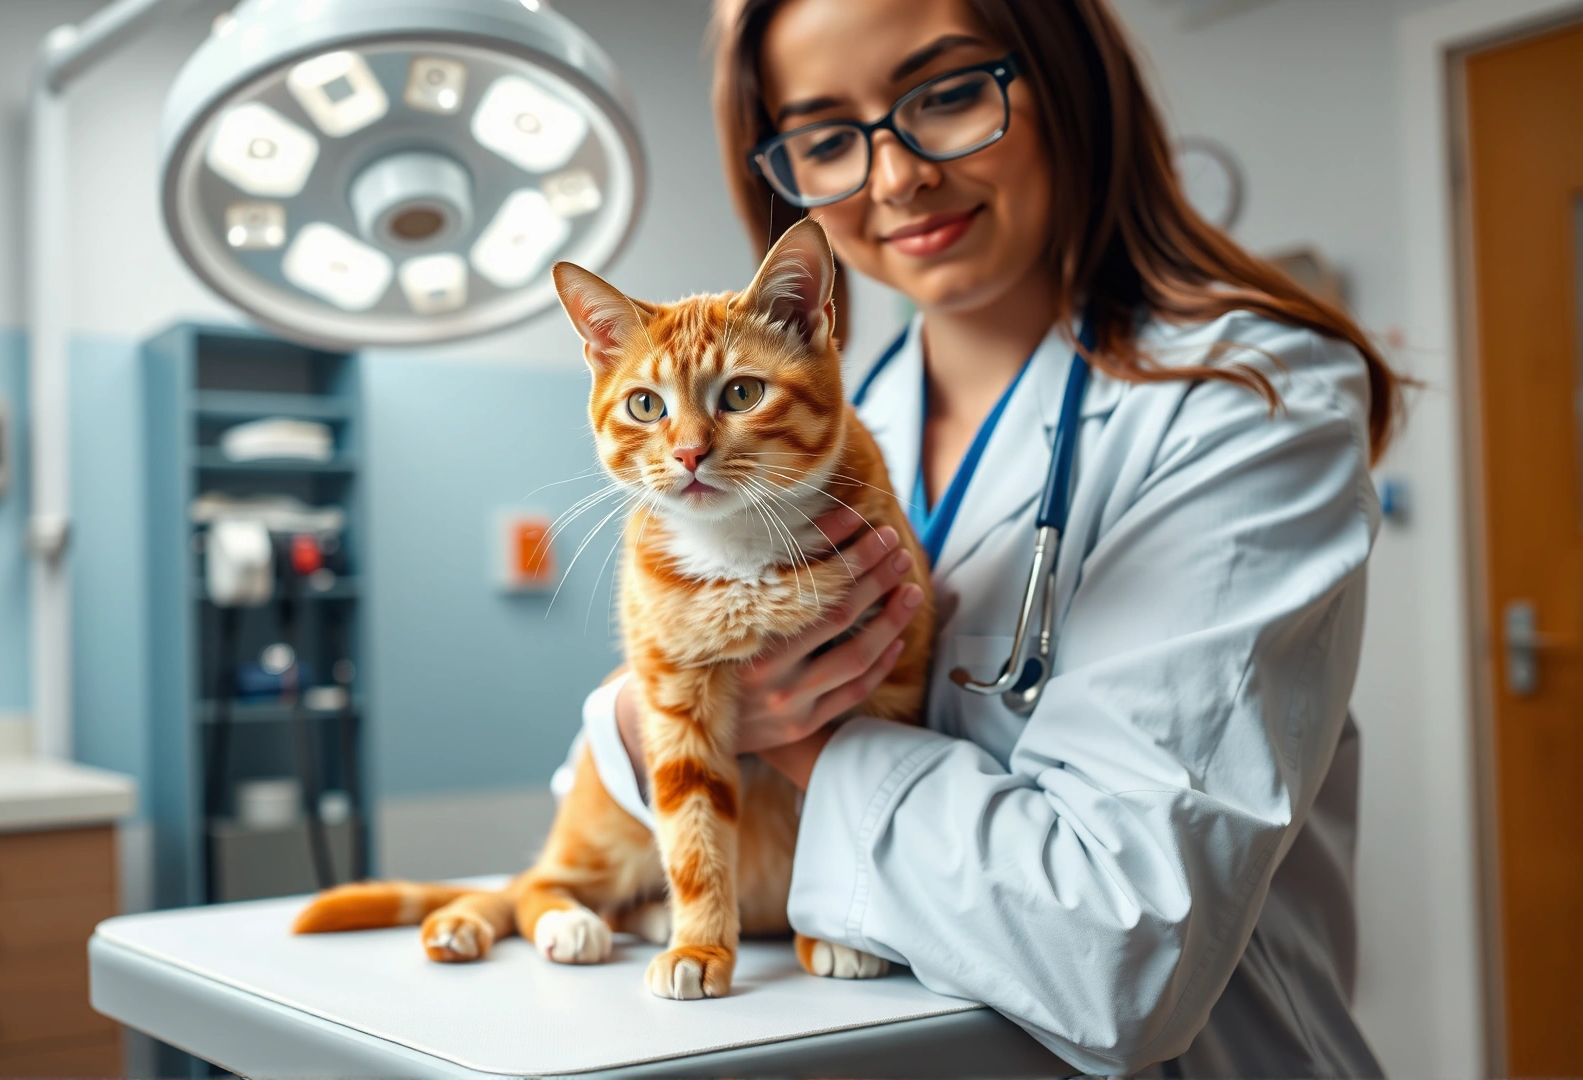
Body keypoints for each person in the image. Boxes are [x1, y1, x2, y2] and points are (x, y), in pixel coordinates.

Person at [557, 0, 1400, 1074]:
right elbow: (597, 789)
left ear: (1069, 82)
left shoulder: (1245, 403)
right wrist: (660, 705)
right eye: (826, 138)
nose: (895, 177)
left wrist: (792, 734)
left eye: (948, 94)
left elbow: (1125, 955)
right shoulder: (826, 411)